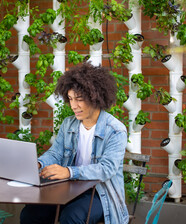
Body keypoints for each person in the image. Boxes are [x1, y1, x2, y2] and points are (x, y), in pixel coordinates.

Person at [20, 62, 129, 224]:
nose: (73, 106)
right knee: (30, 214)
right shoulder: (68, 124)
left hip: (101, 193)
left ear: (95, 96)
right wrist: (38, 163)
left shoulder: (115, 130)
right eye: (70, 99)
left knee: (71, 216)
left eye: (79, 99)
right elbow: (55, 153)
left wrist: (69, 172)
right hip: (69, 190)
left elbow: (106, 169)